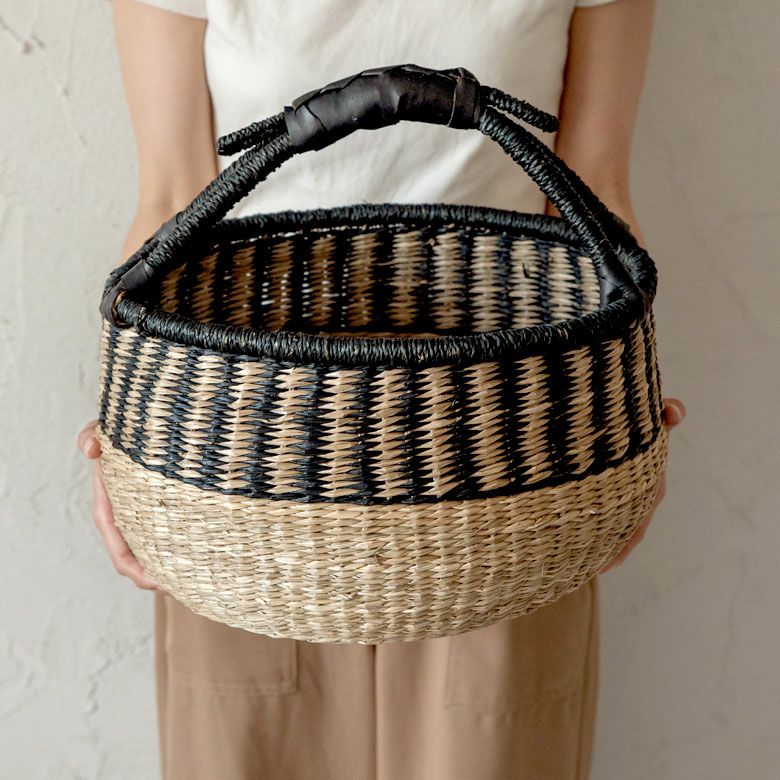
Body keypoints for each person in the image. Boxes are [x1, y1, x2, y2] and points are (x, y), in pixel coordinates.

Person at [78, 0, 686, 777]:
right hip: (243, 451)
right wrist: (124, 434)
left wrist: (625, 418)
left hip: (504, 449)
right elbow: (171, 203)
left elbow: (596, 200)